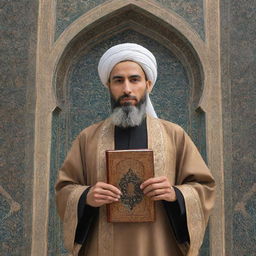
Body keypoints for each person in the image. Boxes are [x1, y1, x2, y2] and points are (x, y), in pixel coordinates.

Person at [55, 43, 215, 256]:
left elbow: (204, 187)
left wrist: (175, 194)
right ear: (108, 85)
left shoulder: (174, 135)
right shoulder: (88, 138)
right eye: (118, 81)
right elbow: (64, 189)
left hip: (159, 246)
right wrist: (86, 196)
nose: (127, 89)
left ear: (148, 84)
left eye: (134, 79)